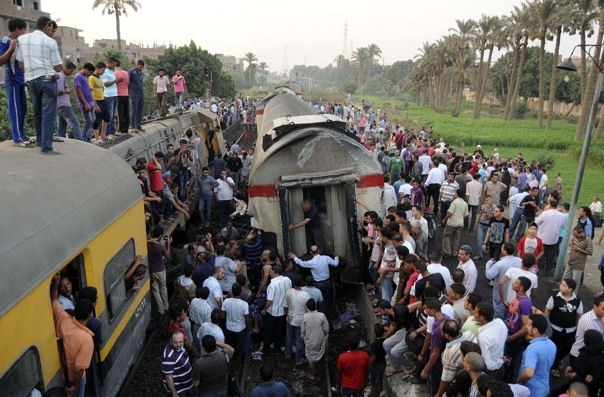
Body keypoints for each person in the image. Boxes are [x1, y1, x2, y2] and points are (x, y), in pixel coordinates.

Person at [15, 16, 63, 155]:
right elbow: (58, 66)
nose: (51, 31)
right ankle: (46, 148)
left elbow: (20, 64)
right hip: (47, 80)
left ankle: (39, 141)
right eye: (51, 28)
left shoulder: (22, 39)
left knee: (37, 111)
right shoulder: (50, 41)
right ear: (47, 25)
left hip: (30, 80)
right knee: (48, 114)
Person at [50, 274, 94, 397]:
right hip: (74, 380)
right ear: (90, 315)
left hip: (64, 376)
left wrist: (56, 284)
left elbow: (53, 300)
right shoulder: (86, 339)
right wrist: (75, 386)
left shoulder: (63, 318)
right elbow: (78, 370)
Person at [544, 278, 583, 378]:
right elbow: (547, 310)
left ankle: (556, 360)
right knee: (554, 348)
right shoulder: (554, 298)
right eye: (561, 284)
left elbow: (580, 316)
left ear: (570, 289)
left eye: (564, 285)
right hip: (555, 329)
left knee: (568, 348)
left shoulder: (577, 301)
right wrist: (547, 324)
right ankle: (554, 367)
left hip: (570, 331)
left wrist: (579, 329)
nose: (560, 286)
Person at [0, 18, 30, 146]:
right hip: (11, 79)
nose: (24, 32)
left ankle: (22, 134)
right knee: (15, 107)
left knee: (23, 107)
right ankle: (16, 138)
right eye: (23, 29)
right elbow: (1, 61)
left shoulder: (22, 42)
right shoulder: (5, 41)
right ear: (17, 29)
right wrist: (10, 48)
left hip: (22, 79)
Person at [289, 245, 339, 314]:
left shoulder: (311, 262)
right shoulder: (326, 258)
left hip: (318, 284)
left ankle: (320, 315)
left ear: (311, 253)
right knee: (326, 300)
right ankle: (325, 315)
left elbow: (301, 263)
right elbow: (336, 264)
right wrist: (336, 257)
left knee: (318, 301)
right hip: (327, 283)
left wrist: (295, 257)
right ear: (318, 251)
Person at [517, 314, 557, 397]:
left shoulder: (532, 349)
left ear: (535, 330)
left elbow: (528, 373)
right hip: (544, 387)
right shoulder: (552, 345)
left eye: (528, 325)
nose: (526, 327)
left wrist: (519, 380)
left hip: (531, 390)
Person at [484, 242, 522, 319]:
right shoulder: (520, 261)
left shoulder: (500, 264)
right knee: (512, 316)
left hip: (501, 295)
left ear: (504, 250)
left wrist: (489, 263)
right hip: (515, 294)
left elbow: (489, 275)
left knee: (499, 316)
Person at [261, 265, 292, 356]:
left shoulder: (272, 285)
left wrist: (264, 309)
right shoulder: (287, 280)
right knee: (279, 331)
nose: (270, 273)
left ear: (276, 273)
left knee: (268, 331)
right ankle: (276, 349)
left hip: (272, 312)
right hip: (283, 311)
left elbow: (269, 301)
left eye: (271, 272)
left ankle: (266, 350)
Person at [221, 283, 249, 373]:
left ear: (232, 292)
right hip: (240, 329)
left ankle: (231, 365)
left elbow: (222, 315)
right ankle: (238, 368)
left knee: (230, 347)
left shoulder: (226, 302)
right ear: (240, 292)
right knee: (239, 350)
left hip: (229, 328)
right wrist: (250, 329)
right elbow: (247, 318)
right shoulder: (244, 304)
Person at [475, 302, 507, 380]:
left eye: (475, 312)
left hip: (491, 373)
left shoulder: (483, 336)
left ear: (482, 317)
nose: (473, 313)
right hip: (500, 365)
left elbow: (489, 365)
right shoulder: (500, 322)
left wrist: (501, 361)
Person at [284, 274, 311, 366]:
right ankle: (298, 360)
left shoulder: (288, 292)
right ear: (302, 283)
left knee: (288, 337)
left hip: (290, 318)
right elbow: (308, 310)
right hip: (301, 320)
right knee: (299, 339)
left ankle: (288, 354)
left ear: (293, 283)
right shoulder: (306, 295)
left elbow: (285, 307)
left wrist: (287, 315)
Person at [569, 294, 604, 365]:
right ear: (595, 306)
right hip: (579, 356)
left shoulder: (602, 316)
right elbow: (595, 343)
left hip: (591, 355)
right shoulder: (588, 320)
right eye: (603, 308)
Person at [301, 298, 329, 380]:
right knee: (327, 339)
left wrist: (304, 339)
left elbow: (303, 331)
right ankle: (326, 357)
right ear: (316, 306)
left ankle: (311, 374)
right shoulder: (322, 315)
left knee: (310, 359)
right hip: (320, 340)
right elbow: (326, 329)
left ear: (307, 307)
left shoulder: (305, 317)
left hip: (310, 341)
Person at [148, 226, 171, 316]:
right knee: (163, 288)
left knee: (155, 290)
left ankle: (160, 310)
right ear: (160, 235)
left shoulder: (148, 243)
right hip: (160, 270)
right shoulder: (160, 246)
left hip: (152, 270)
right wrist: (168, 244)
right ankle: (166, 306)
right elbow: (168, 256)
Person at [564, 226, 593, 293]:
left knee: (575, 281)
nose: (575, 236)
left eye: (576, 235)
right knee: (565, 277)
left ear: (581, 233)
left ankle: (573, 296)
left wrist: (578, 249)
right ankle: (563, 292)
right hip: (570, 261)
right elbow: (572, 242)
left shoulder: (588, 240)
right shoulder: (575, 237)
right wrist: (571, 244)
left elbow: (590, 252)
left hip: (579, 265)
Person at [441, 190, 468, 257]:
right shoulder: (465, 204)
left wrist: (444, 219)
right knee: (456, 238)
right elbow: (466, 215)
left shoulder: (454, 202)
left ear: (457, 194)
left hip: (452, 223)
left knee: (446, 236)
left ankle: (447, 252)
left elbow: (450, 213)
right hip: (460, 223)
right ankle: (455, 252)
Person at [73, 63, 95, 142]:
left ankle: (88, 138)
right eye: (90, 72)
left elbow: (87, 89)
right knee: (88, 121)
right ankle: (84, 140)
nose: (90, 74)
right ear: (86, 69)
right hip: (85, 104)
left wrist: (93, 102)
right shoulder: (78, 76)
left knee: (92, 120)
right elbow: (78, 91)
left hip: (90, 102)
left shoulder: (85, 76)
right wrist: (85, 103)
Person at [114, 59, 130, 135]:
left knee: (120, 113)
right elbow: (128, 83)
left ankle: (120, 129)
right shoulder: (126, 73)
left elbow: (114, 84)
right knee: (126, 112)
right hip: (126, 94)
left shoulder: (114, 73)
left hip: (118, 95)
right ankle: (126, 129)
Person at [129, 59, 145, 132]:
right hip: (134, 94)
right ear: (137, 64)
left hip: (141, 93)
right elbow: (128, 82)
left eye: (142, 67)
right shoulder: (132, 72)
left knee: (140, 110)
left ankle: (138, 125)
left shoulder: (141, 73)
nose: (141, 68)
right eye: (140, 67)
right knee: (134, 110)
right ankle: (133, 126)